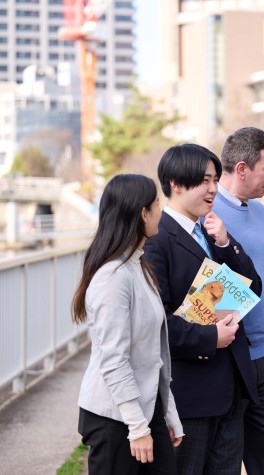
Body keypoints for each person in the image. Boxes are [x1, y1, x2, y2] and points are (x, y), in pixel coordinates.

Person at [143, 143, 261, 475]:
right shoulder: (156, 239)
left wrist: (225, 243)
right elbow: (156, 322)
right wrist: (210, 337)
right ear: (175, 184)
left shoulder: (212, 231)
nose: (212, 189)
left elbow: (252, 287)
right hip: (188, 395)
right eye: (203, 181)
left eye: (214, 179)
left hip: (230, 390)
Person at [73, 174, 183, 475]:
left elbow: (152, 354)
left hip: (145, 411)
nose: (161, 210)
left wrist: (166, 414)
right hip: (115, 417)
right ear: (142, 213)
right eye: (157, 204)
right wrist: (138, 427)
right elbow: (114, 360)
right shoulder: (113, 277)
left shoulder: (138, 266)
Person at [213, 127, 264, 474]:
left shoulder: (261, 213)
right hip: (226, 358)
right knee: (226, 461)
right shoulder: (207, 212)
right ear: (243, 168)